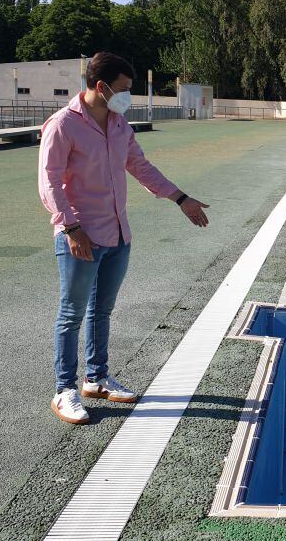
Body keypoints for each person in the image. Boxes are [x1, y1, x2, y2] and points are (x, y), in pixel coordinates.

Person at [38, 51, 209, 425]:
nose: (127, 96)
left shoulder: (119, 124)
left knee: (102, 310)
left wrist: (180, 198)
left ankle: (96, 378)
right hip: (80, 235)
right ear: (101, 87)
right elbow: (49, 182)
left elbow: (140, 167)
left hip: (117, 233)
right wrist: (70, 227)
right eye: (123, 89)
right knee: (71, 314)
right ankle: (64, 389)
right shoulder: (63, 125)